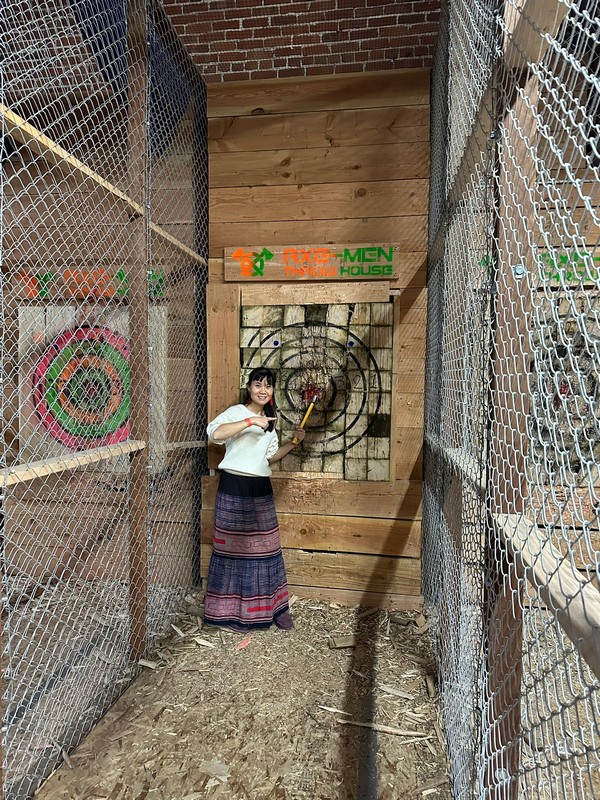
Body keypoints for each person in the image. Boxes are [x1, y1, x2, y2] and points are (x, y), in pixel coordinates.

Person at [204, 366, 306, 632]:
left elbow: (269, 457)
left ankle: (274, 609)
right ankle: (230, 615)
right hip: (233, 485)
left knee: (266, 549)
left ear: (272, 391)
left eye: (268, 386)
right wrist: (250, 422)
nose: (263, 390)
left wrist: (293, 443)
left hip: (260, 488)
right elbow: (214, 434)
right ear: (249, 388)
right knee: (232, 550)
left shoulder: (271, 422)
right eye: (258, 384)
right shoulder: (237, 412)